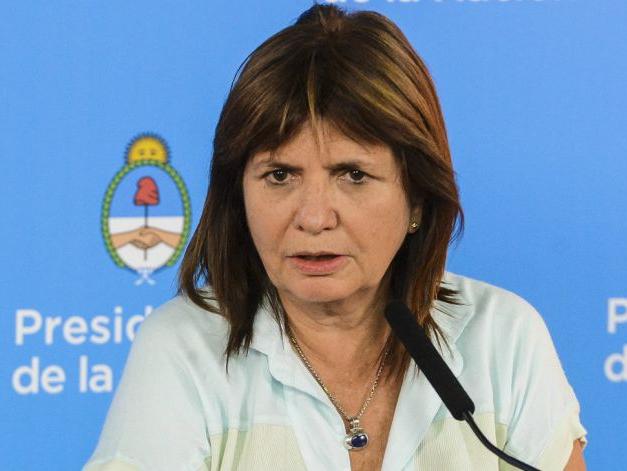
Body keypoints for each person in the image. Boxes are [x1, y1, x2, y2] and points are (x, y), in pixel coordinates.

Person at [83, 4, 587, 470]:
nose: (314, 217)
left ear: (416, 198)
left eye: (353, 175)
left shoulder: (502, 338)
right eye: (280, 175)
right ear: (239, 195)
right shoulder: (183, 348)